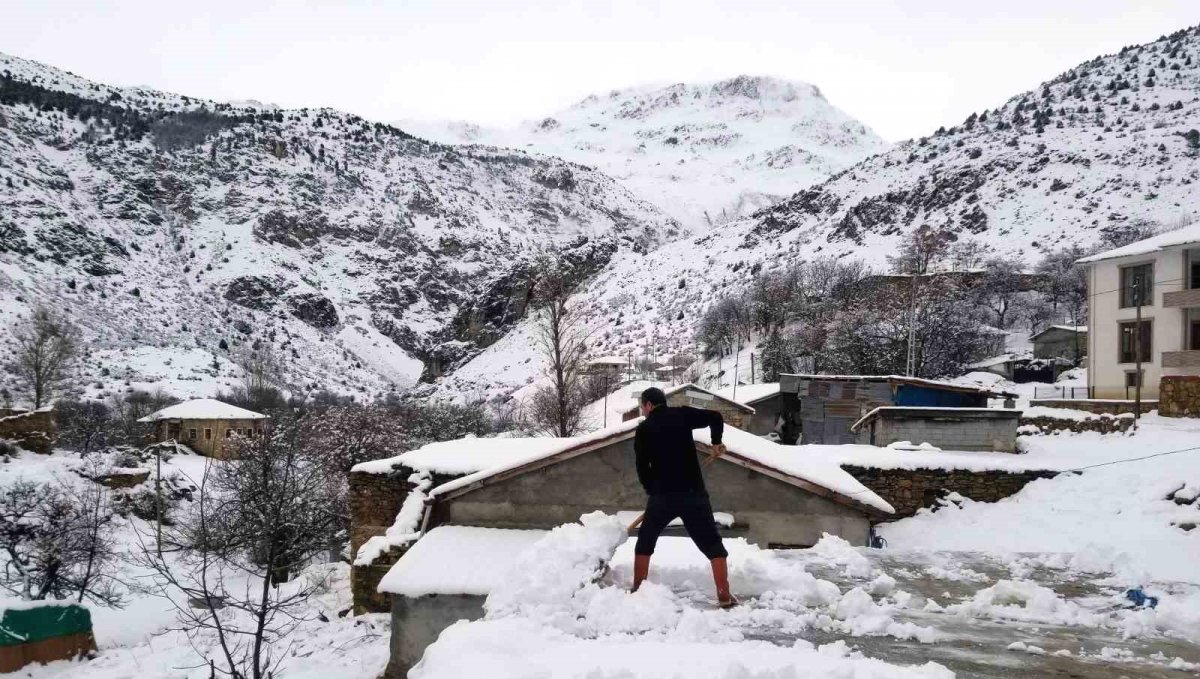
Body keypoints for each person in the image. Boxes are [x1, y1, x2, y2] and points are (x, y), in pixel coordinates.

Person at [631, 387, 736, 607]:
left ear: (649, 405)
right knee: (712, 544)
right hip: (693, 494)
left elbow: (642, 466)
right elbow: (716, 417)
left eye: (642, 406)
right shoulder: (682, 414)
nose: (643, 410)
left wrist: (652, 490)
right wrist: (716, 441)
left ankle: (638, 589)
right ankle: (724, 594)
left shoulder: (644, 429)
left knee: (645, 541)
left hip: (662, 496)